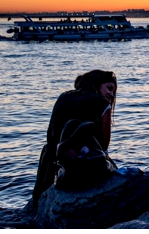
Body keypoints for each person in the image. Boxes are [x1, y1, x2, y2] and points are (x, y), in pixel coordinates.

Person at [31, 70, 117, 208]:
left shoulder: (63, 97)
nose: (111, 94)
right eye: (109, 88)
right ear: (97, 84)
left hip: (52, 160)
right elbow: (104, 145)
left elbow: (51, 134)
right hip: (83, 163)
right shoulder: (101, 103)